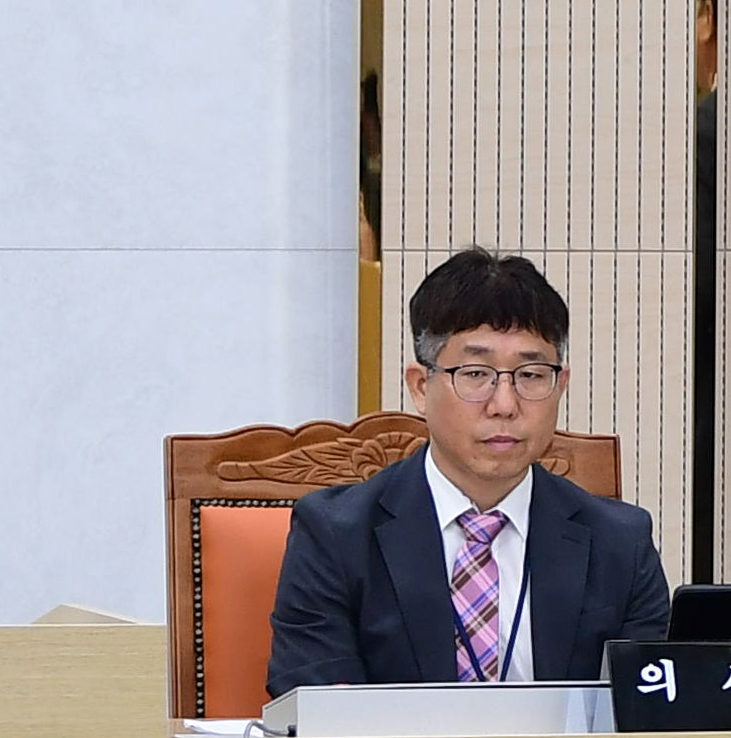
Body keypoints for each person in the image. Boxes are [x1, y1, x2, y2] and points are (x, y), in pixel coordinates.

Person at [264, 247, 675, 695]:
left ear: (561, 384)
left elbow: (648, 714)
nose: (504, 405)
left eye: (532, 375)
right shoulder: (336, 537)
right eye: (476, 373)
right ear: (421, 387)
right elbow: (315, 711)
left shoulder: (620, 543)